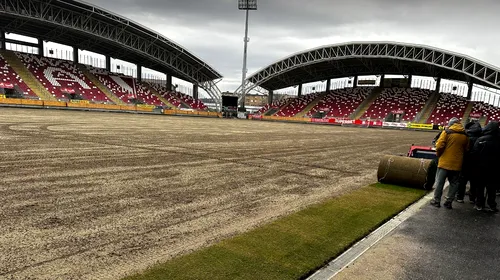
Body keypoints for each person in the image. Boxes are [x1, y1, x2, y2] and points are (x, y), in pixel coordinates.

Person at [430, 117, 469, 209]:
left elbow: (439, 146)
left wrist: (439, 155)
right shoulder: (465, 135)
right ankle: (448, 202)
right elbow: (467, 149)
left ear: (451, 124)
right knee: (454, 183)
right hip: (457, 164)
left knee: (440, 182)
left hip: (444, 162)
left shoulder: (447, 132)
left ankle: (436, 201)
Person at [470, 121, 500, 212]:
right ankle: (492, 205)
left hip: (481, 168)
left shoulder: (481, 139)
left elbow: (474, 154)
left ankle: (479, 204)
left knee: (480, 187)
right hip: (494, 168)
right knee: (492, 188)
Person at [456, 121, 482, 203]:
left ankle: (460, 197)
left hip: (465, 162)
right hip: (477, 163)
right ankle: (472, 198)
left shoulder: (465, 137)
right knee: (474, 181)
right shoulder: (481, 138)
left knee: (462, 180)